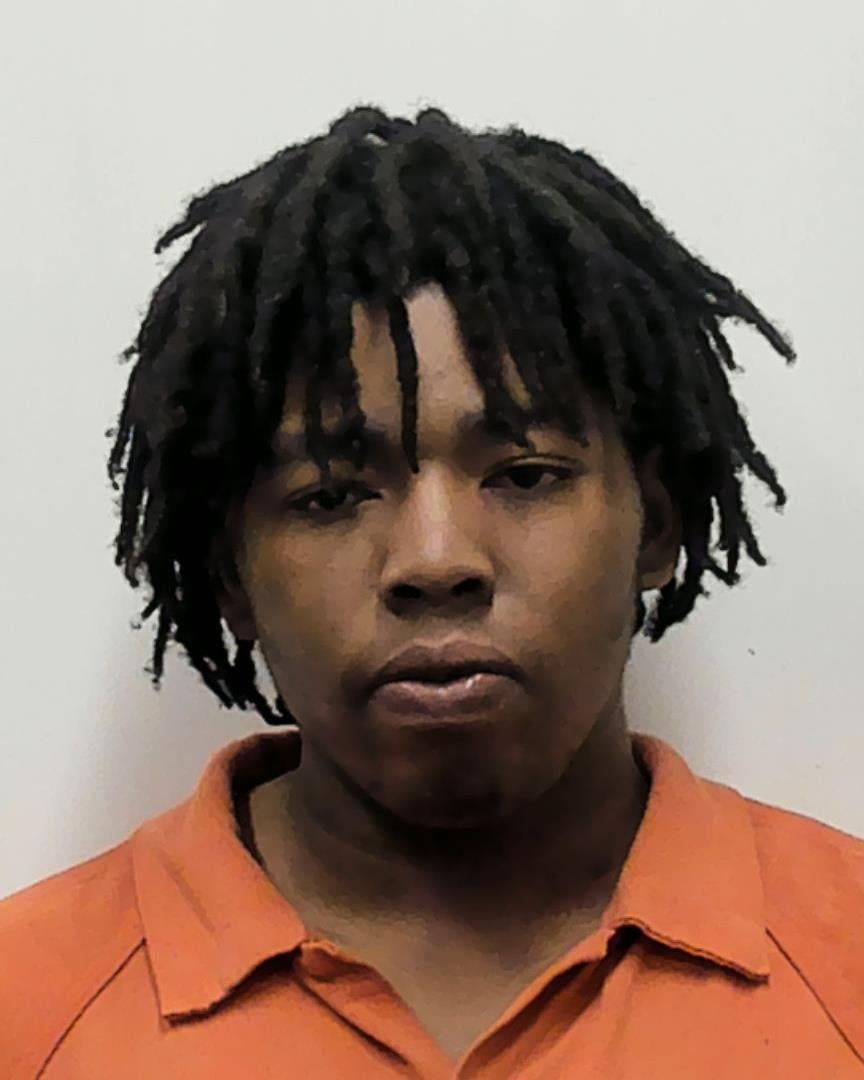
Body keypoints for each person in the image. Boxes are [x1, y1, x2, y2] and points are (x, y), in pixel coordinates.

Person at [1, 105, 862, 1079]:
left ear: (655, 526)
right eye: (331, 495)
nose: (436, 559)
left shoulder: (845, 967)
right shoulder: (27, 1009)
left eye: (525, 474)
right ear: (231, 575)